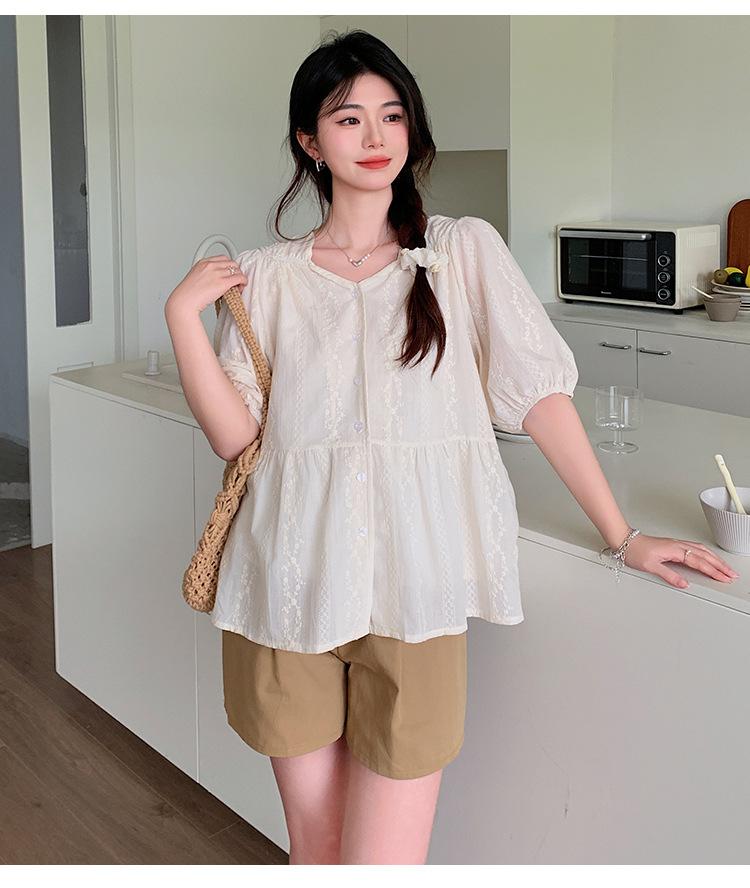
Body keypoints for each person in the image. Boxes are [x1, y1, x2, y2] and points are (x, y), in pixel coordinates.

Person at [165, 29, 740, 866]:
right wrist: (183, 319)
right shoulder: (268, 275)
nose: (375, 137)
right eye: (349, 118)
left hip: (416, 594)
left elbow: (540, 398)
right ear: (309, 141)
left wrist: (622, 534)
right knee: (316, 853)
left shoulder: (460, 251)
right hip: (286, 587)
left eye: (392, 115)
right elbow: (236, 436)